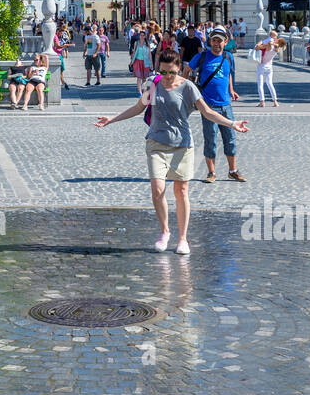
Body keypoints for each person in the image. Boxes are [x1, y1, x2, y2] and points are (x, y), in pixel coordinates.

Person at [96, 49, 249, 255]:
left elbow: (208, 112)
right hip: (156, 143)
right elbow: (137, 108)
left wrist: (232, 123)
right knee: (158, 189)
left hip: (182, 145)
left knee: (181, 191)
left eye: (172, 72)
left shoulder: (188, 88)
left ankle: (183, 238)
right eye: (164, 72)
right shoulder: (153, 84)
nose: (167, 77)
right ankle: (165, 231)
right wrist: (111, 120)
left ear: (179, 69)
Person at [185, 26, 246, 182]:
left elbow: (228, 75)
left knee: (230, 138)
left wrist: (231, 90)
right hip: (208, 106)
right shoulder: (202, 57)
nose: (217, 43)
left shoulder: (228, 57)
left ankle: (233, 170)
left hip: (226, 105)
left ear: (225, 42)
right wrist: (188, 87)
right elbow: (187, 69)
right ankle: (211, 173)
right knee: (210, 138)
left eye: (219, 40)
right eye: (214, 40)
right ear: (210, 42)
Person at [253, 29, 283, 107]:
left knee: (260, 84)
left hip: (262, 65)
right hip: (270, 66)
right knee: (270, 84)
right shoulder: (276, 48)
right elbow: (276, 45)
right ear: (274, 36)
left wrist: (261, 42)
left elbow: (257, 47)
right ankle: (275, 101)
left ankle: (262, 101)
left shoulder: (266, 46)